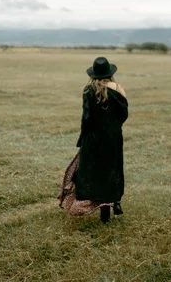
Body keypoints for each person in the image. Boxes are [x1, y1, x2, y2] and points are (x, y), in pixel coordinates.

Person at [58, 57, 128, 223]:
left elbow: (86, 118)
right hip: (113, 138)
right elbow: (123, 115)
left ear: (93, 74)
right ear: (110, 73)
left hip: (93, 138)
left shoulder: (88, 90)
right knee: (111, 171)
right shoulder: (118, 88)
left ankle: (89, 203)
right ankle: (108, 211)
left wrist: (83, 138)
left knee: (92, 172)